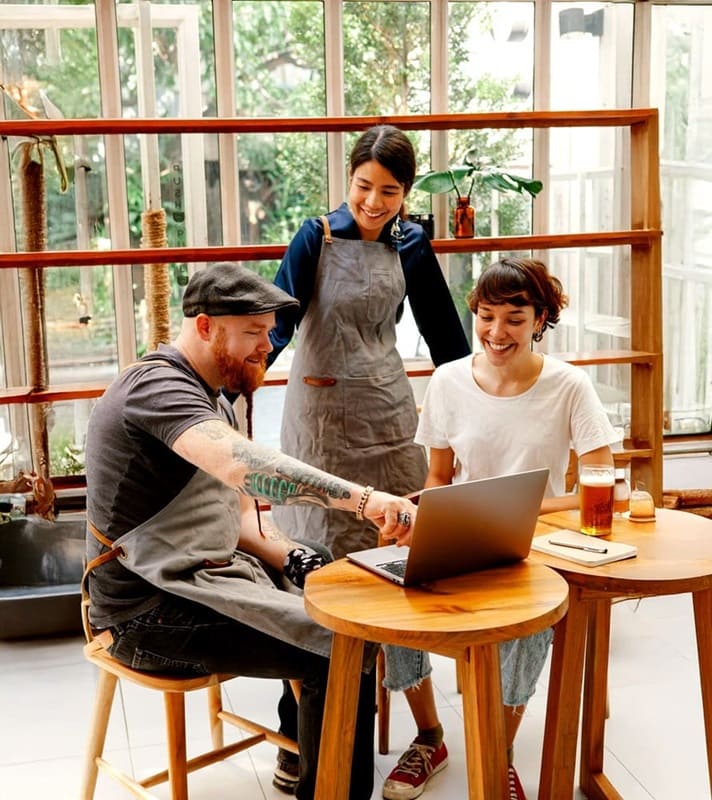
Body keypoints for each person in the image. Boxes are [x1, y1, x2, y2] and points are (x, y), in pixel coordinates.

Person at [83, 261, 418, 800]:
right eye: (254, 333)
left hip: (197, 573)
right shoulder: (158, 388)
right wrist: (366, 500)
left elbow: (237, 516)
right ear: (206, 326)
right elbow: (245, 468)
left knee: (316, 557)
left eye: (268, 332)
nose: (268, 346)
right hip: (145, 612)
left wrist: (292, 560)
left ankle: (301, 749)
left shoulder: (214, 393)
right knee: (343, 644)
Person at [379, 257, 619, 800]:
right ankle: (429, 737)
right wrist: (417, 518)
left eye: (514, 318)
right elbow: (438, 477)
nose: (496, 332)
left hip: (534, 547)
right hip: (459, 536)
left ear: (540, 320)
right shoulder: (447, 380)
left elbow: (601, 483)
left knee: (530, 626)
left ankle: (500, 747)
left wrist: (528, 513)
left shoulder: (569, 386)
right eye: (486, 316)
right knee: (388, 585)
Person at [268, 123, 470, 559]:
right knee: (322, 531)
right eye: (364, 186)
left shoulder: (411, 243)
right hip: (319, 418)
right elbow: (276, 327)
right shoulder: (315, 237)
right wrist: (220, 392)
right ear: (349, 177)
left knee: (401, 527)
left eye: (389, 191)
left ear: (406, 192)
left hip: (387, 410)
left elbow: (444, 336)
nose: (374, 203)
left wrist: (478, 399)